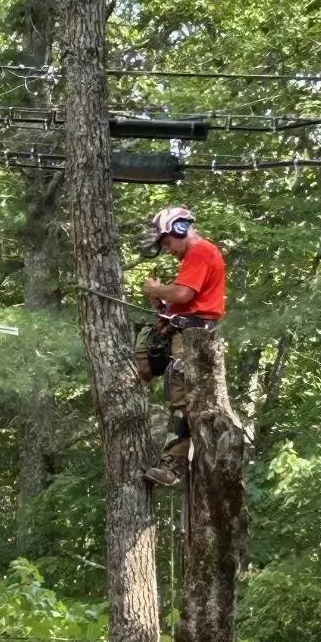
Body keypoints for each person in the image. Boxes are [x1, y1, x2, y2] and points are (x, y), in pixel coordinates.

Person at [137, 206, 226, 487]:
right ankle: (136, 412)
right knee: (139, 361)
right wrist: (162, 308)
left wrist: (155, 289)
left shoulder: (200, 251)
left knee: (181, 397)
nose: (168, 250)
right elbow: (181, 300)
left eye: (168, 243)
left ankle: (174, 466)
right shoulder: (193, 257)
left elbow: (183, 293)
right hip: (180, 330)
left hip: (193, 336)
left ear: (179, 229)